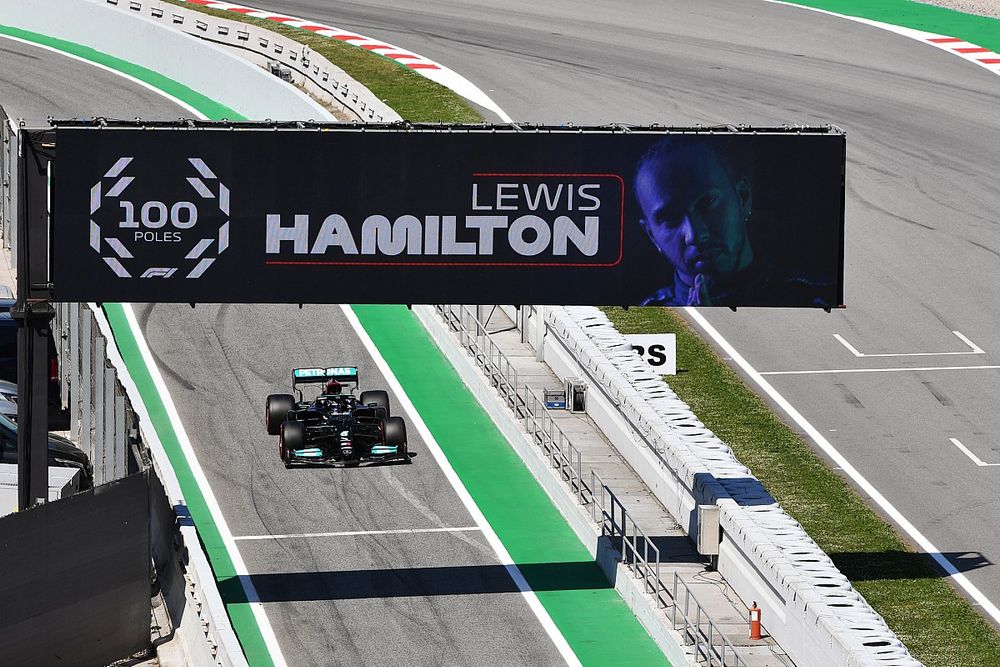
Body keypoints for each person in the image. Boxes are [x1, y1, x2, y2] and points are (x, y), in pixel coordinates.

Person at [633, 137, 832, 307]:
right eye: (670, 218)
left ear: (743, 197)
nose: (695, 235)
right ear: (652, 236)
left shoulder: (818, 301)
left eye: (707, 203)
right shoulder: (640, 324)